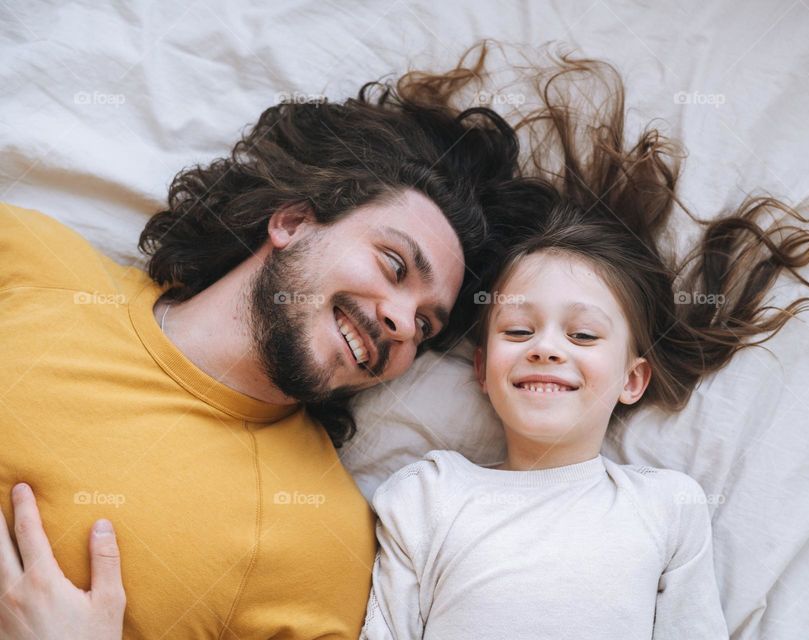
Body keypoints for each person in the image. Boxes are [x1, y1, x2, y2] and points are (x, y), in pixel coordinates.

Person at [357, 46, 809, 638]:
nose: (546, 348)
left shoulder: (666, 510)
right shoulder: (428, 494)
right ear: (482, 366)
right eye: (518, 330)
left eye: (582, 334)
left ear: (632, 379)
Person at [0, 75, 523, 638]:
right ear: (292, 223)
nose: (401, 323)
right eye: (394, 266)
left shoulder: (316, 543)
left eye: (424, 325)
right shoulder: (35, 262)